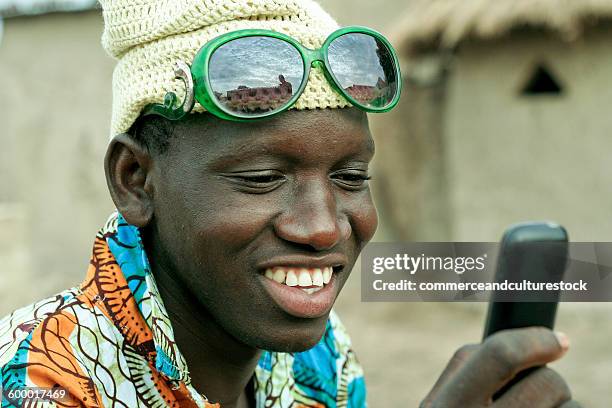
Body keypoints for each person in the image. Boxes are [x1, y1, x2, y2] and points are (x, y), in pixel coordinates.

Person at [0, 0, 579, 407]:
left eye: (352, 176)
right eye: (260, 177)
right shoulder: (37, 379)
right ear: (135, 180)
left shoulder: (318, 357)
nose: (324, 229)